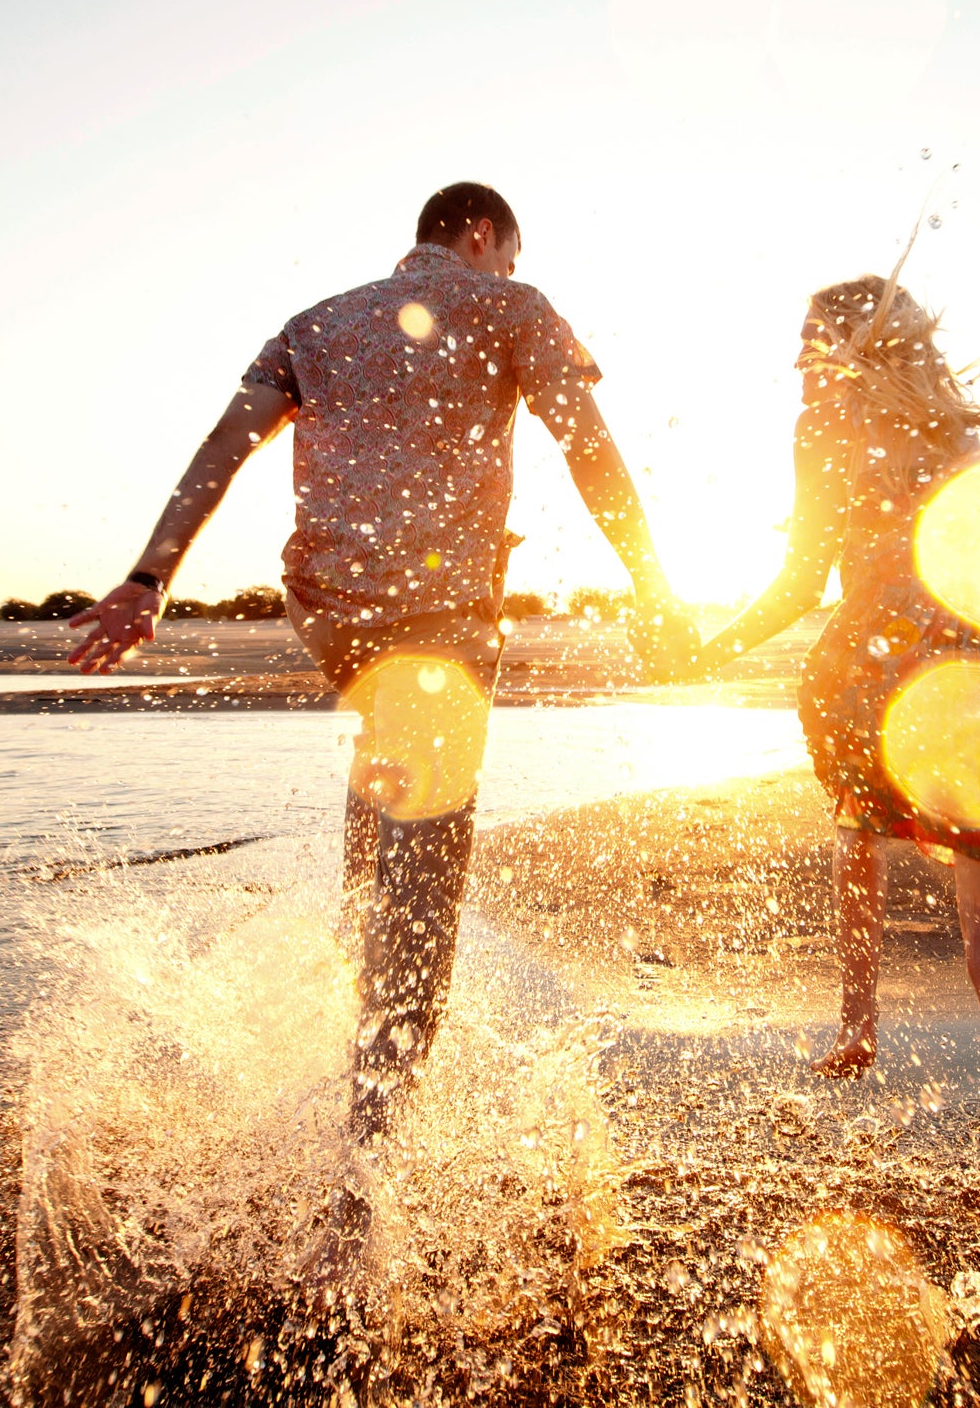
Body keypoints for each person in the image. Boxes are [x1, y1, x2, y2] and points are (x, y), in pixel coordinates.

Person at [67, 180, 696, 1274]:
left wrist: (146, 580)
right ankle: (353, 1209)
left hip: (330, 612)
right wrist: (653, 584)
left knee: (382, 802)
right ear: (485, 236)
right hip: (437, 618)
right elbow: (585, 445)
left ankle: (336, 1039)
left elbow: (224, 447)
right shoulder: (511, 302)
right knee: (425, 897)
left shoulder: (314, 322)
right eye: (503, 251)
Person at [686, 267, 980, 1400]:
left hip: (876, 671)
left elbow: (798, 576)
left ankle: (860, 1014)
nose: (795, 360)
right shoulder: (955, 432)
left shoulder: (821, 419)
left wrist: (711, 644)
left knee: (856, 824)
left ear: (834, 348)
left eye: (804, 339)